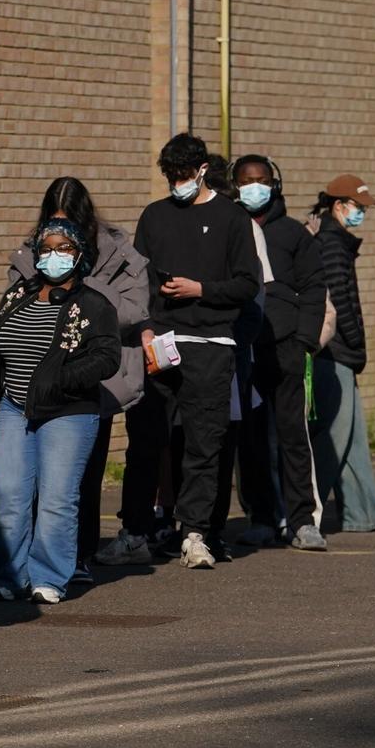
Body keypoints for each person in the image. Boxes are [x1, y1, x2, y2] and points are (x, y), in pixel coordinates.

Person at [111, 133, 260, 569]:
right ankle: (135, 530)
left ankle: (195, 534)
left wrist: (202, 289)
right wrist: (142, 328)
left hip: (212, 343)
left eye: (183, 175)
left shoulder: (233, 218)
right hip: (159, 342)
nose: (177, 183)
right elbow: (137, 282)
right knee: (145, 441)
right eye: (169, 176)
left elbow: (248, 284)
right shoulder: (155, 216)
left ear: (201, 171)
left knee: (203, 442)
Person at [4, 178, 146, 583]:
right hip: (38, 376)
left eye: (71, 226)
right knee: (28, 477)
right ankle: (23, 558)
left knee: (80, 475)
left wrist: (83, 288)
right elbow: (14, 308)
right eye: (54, 222)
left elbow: (135, 310)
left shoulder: (119, 254)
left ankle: (78, 555)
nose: (60, 236)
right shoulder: (33, 251)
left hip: (92, 380)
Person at [0, 218, 120, 603]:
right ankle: (9, 575)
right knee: (7, 495)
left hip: (68, 414)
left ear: (80, 254)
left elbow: (107, 358)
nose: (54, 256)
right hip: (15, 410)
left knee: (57, 498)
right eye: (47, 248)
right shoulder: (16, 295)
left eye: (64, 248)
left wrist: (62, 378)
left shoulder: (94, 304)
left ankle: (49, 577)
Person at [230, 155, 328, 550]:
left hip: (286, 348)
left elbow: (314, 288)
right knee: (250, 439)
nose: (255, 186)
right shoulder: (230, 230)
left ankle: (302, 520)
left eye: (262, 180)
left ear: (275, 184)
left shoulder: (292, 233)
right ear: (234, 185)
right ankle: (262, 517)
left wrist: (305, 340)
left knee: (292, 437)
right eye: (246, 180)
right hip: (244, 351)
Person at [310, 175, 375, 533]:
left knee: (353, 437)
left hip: (342, 353)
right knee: (333, 438)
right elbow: (338, 299)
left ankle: (363, 514)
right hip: (334, 353)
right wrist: (354, 339)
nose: (362, 215)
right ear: (339, 206)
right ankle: (304, 515)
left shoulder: (338, 241)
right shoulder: (332, 244)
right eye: (359, 207)